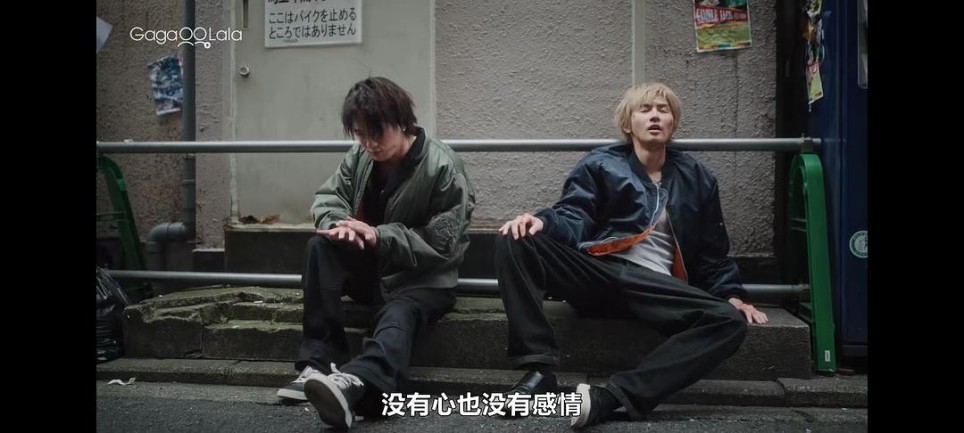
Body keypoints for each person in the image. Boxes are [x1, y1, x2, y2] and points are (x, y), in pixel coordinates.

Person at [494, 82, 767, 428]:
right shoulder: (601, 164)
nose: (655, 116)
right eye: (645, 109)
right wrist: (543, 222)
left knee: (728, 321)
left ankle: (612, 398)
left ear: (673, 123)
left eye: (663, 110)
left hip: (656, 290)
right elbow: (575, 215)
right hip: (602, 272)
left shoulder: (698, 178)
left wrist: (731, 294)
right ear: (628, 123)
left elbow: (712, 252)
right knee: (513, 236)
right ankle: (538, 370)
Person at [275, 76, 476, 429]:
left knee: (396, 317)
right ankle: (318, 364)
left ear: (402, 121)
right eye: (360, 134)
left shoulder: (443, 166)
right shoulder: (360, 156)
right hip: (375, 268)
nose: (369, 143)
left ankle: (356, 381)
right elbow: (330, 197)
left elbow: (442, 243)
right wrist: (341, 225)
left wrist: (379, 235)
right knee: (320, 247)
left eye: (377, 133)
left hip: (423, 279)